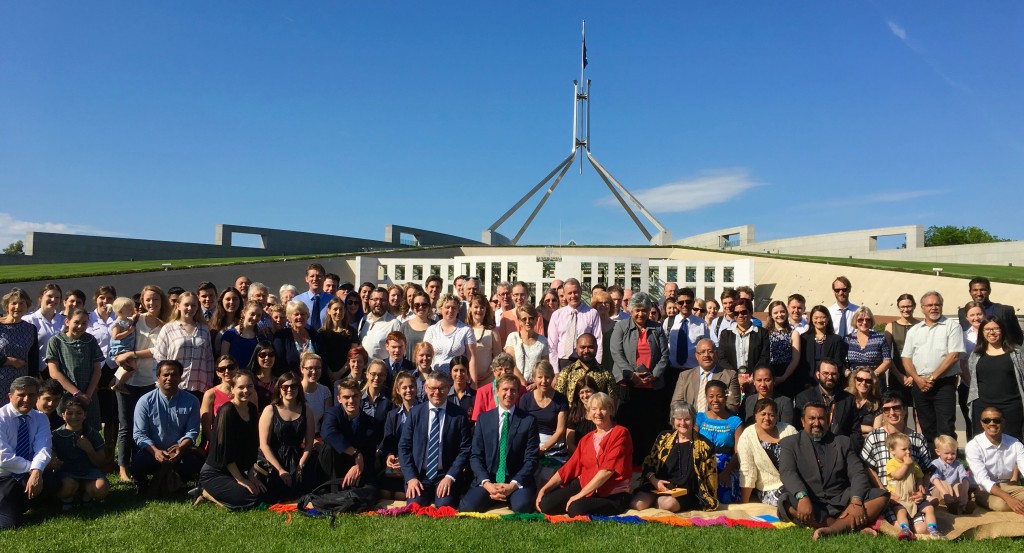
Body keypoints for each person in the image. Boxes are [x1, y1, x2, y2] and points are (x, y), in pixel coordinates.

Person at [777, 403, 889, 540]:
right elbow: (787, 472)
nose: (816, 423)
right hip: (812, 501)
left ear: (828, 421)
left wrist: (856, 500)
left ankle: (832, 530)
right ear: (802, 421)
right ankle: (846, 525)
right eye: (812, 418)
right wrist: (802, 497)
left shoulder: (843, 442)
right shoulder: (790, 443)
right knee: (786, 501)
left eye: (821, 418)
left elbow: (857, 473)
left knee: (881, 496)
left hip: (842, 501)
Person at [536, 392, 632, 516]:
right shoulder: (586, 439)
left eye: (603, 408)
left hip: (612, 493)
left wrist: (580, 495)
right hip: (585, 483)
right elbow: (569, 468)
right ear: (589, 413)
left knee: (575, 509)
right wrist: (545, 489)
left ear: (611, 410)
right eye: (594, 409)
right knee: (545, 504)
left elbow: (607, 470)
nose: (598, 413)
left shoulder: (620, 433)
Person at [459, 375, 540, 513]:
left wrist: (512, 486)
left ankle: (509, 496)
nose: (509, 394)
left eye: (513, 390)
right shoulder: (484, 419)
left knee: (522, 507)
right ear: (497, 391)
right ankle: (494, 495)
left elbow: (531, 459)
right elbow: (475, 456)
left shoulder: (529, 421)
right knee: (467, 507)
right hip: (489, 478)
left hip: (516, 479)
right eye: (505, 389)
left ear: (518, 393)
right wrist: (487, 484)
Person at [113, 285, 169, 482]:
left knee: (145, 426)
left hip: (150, 381)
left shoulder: (166, 325)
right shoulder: (135, 320)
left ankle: (140, 465)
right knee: (125, 425)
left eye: (156, 299)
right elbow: (117, 337)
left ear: (162, 301)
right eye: (148, 300)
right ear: (142, 302)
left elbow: (158, 350)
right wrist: (119, 355)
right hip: (127, 378)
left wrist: (133, 353)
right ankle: (123, 467)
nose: (152, 303)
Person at [610, 291, 669, 463]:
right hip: (628, 385)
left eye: (644, 310)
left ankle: (646, 463)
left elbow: (664, 355)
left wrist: (654, 375)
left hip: (651, 385)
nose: (640, 314)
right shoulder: (621, 327)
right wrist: (631, 374)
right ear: (630, 310)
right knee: (628, 424)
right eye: (637, 310)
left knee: (648, 425)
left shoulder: (657, 328)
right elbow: (616, 352)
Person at [398, 370, 471, 508]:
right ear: (426, 388)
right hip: (419, 476)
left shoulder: (459, 415)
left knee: (444, 507)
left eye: (441, 388)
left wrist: (450, 477)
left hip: (445, 475)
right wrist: (411, 478)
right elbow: (404, 447)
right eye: (432, 388)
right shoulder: (415, 413)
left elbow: (465, 449)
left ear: (448, 388)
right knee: (414, 506)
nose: (437, 392)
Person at [198, 370, 269, 510]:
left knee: (263, 492)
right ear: (232, 389)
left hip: (238, 470)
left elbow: (252, 445)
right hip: (217, 472)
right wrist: (240, 479)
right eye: (241, 387)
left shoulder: (252, 409)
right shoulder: (227, 411)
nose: (246, 391)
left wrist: (251, 475)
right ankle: (206, 492)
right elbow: (225, 449)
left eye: (249, 386)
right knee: (250, 498)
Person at [630, 400, 718, 512]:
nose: (683, 423)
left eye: (687, 419)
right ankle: (656, 501)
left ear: (693, 420)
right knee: (637, 504)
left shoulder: (705, 445)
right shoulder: (663, 437)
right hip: (658, 486)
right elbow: (649, 463)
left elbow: (711, 477)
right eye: (679, 419)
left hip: (686, 492)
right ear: (673, 420)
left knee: (668, 504)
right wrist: (655, 481)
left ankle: (658, 503)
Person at [131, 360, 203, 496]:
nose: (170, 378)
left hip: (180, 450)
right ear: (158, 377)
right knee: (137, 465)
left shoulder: (192, 400)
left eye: (174, 374)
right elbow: (139, 434)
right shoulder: (145, 401)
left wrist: (180, 448)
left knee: (196, 463)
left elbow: (192, 431)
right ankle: (142, 485)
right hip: (153, 451)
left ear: (180, 377)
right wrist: (155, 451)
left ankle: (174, 482)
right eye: (165, 375)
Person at [901, 291, 965, 446]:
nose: (934, 308)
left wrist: (932, 377)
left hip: (943, 384)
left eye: (937, 304)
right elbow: (906, 358)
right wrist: (917, 379)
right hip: (919, 384)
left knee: (946, 428)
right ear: (922, 308)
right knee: (927, 427)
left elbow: (954, 355)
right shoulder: (914, 330)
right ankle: (931, 460)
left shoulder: (952, 326)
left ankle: (949, 460)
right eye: (929, 305)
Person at [0, 376, 51, 529]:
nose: (27, 399)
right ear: (10, 396)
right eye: (21, 395)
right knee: (10, 525)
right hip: (3, 477)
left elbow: (43, 448)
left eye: (31, 395)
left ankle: (21, 504)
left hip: (25, 475)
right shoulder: (1, 418)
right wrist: (34, 469)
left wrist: (37, 471)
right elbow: (3, 458)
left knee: (59, 482)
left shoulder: (40, 417)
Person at [259, 372, 316, 499]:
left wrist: (301, 464)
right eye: (285, 387)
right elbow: (264, 444)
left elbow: (309, 443)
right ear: (279, 389)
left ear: (298, 389)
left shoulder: (307, 410)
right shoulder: (270, 410)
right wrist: (280, 469)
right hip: (274, 459)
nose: (289, 390)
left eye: (293, 386)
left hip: (297, 457)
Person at [45, 308, 104, 429]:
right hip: (66, 393)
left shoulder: (90, 340)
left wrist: (88, 394)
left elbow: (97, 370)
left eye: (84, 323)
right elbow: (54, 372)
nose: (80, 326)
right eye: (76, 322)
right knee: (64, 429)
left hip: (88, 395)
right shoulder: (56, 341)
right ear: (67, 321)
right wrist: (77, 393)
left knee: (88, 430)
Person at [319, 377, 382, 490]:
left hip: (359, 468)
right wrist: (355, 452)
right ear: (339, 399)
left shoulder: (371, 424)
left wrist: (357, 467)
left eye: (354, 396)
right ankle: (333, 491)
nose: (351, 401)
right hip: (335, 467)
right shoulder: (333, 413)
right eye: (346, 397)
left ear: (360, 396)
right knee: (328, 447)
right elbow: (328, 433)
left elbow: (369, 455)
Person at [967, 317, 1024, 440]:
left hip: (1011, 407)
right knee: (983, 443)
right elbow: (973, 376)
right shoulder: (976, 354)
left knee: (1012, 443)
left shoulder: (1016, 353)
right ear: (982, 332)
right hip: (982, 406)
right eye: (987, 329)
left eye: (996, 328)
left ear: (1002, 330)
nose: (991, 332)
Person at [50, 396, 109, 510]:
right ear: (63, 415)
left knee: (100, 489)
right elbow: (53, 458)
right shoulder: (56, 435)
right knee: (67, 486)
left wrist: (89, 449)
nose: (74, 417)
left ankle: (86, 494)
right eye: (70, 413)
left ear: (85, 415)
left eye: (78, 413)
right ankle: (67, 498)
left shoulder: (92, 433)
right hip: (66, 473)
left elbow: (101, 462)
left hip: (89, 472)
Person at [151, 292, 215, 398]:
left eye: (193, 305)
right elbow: (159, 358)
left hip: (199, 386)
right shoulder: (168, 329)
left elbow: (209, 359)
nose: (190, 308)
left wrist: (209, 382)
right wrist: (159, 382)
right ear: (178, 306)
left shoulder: (204, 329)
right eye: (186, 305)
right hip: (174, 385)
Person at [737, 398, 797, 506]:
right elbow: (748, 472)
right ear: (755, 415)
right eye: (763, 414)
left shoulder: (789, 430)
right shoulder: (747, 436)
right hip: (770, 489)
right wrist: (744, 503)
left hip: (794, 483)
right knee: (791, 500)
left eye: (771, 415)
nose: (767, 418)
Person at [967, 406, 1024, 513]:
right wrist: (1009, 498)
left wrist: (1010, 496)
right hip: (982, 488)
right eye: (987, 420)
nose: (992, 423)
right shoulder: (973, 446)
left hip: (1007, 486)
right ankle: (974, 498)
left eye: (996, 420)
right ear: (982, 423)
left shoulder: (1015, 443)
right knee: (1001, 505)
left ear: (1003, 422)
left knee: (1009, 503)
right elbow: (983, 480)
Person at [885, 432, 942, 539]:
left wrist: (920, 484)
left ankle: (933, 529)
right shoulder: (891, 464)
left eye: (909, 449)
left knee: (929, 508)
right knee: (900, 511)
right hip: (899, 499)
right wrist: (906, 465)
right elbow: (897, 475)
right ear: (892, 450)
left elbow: (919, 475)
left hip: (913, 498)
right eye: (904, 449)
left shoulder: (914, 464)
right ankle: (905, 528)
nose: (908, 452)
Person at [518, 360, 568, 480]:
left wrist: (543, 448)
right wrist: (532, 449)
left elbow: (560, 431)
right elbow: (521, 428)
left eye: (547, 377)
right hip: (531, 445)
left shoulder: (561, 400)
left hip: (553, 448)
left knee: (547, 478)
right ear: (534, 378)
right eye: (540, 377)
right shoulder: (525, 399)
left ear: (553, 378)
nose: (544, 381)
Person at [695, 380, 743, 503]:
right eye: (711, 396)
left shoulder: (735, 421)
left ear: (726, 397)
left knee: (725, 498)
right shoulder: (699, 418)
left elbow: (739, 453)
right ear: (706, 398)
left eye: (719, 396)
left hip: (726, 469)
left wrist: (726, 473)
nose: (715, 400)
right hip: (702, 467)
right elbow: (692, 445)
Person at [794, 358, 859, 443]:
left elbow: (855, 431)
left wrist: (850, 449)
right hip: (812, 446)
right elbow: (799, 429)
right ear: (818, 375)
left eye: (833, 374)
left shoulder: (848, 399)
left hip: (841, 447)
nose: (830, 377)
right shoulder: (804, 398)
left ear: (838, 375)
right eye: (826, 373)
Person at [670, 339, 741, 414]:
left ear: (716, 354)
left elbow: (732, 406)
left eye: (710, 351)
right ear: (697, 356)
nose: (706, 355)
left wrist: (711, 418)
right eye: (702, 352)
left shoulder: (730, 376)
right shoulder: (684, 376)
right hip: (690, 419)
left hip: (717, 420)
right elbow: (676, 404)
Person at [548, 279, 603, 370]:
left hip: (585, 361)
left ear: (581, 291)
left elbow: (598, 341)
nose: (573, 296)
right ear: (564, 294)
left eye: (576, 292)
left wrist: (597, 366)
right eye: (569, 293)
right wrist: (555, 370)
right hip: (563, 362)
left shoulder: (592, 313)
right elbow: (552, 345)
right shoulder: (557, 315)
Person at [717, 298, 768, 395]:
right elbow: (721, 357)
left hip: (755, 381)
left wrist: (753, 377)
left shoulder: (762, 333)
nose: (740, 315)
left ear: (750, 312)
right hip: (732, 381)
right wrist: (735, 377)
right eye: (736, 313)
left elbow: (764, 357)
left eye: (743, 312)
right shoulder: (725, 334)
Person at [379, 371, 417, 499]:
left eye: (411, 386)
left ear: (416, 388)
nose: (408, 390)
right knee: (384, 493)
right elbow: (388, 440)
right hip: (396, 465)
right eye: (404, 388)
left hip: (414, 463)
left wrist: (405, 460)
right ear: (398, 390)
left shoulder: (424, 412)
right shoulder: (392, 415)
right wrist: (390, 455)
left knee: (401, 495)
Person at [794, 306, 848, 395]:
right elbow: (801, 364)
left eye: (823, 317)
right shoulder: (804, 338)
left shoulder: (836, 340)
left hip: (829, 382)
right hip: (808, 383)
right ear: (811, 319)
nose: (819, 320)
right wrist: (806, 383)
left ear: (828, 319)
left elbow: (838, 362)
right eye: (816, 318)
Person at [0, 288, 40, 406]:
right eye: (14, 303)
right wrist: (8, 361)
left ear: (27, 307)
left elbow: (33, 359)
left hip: (21, 384)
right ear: (7, 306)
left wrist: (34, 382)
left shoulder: (30, 329)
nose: (17, 307)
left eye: (22, 303)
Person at [958, 277, 1024, 346]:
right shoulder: (962, 312)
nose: (979, 293)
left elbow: (1018, 338)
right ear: (970, 292)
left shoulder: (1005, 311)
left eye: (982, 290)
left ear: (989, 291)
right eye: (975, 290)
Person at [424, 294, 476, 375]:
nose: (450, 310)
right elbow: (424, 354)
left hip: (458, 377)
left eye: (454, 308)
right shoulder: (431, 330)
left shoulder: (466, 330)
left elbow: (471, 358)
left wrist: (473, 381)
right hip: (435, 377)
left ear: (458, 310)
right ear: (441, 309)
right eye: (447, 307)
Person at [504, 304, 549, 389]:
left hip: (535, 386)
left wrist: (535, 384)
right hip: (515, 385)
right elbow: (510, 363)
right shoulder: (513, 337)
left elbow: (544, 366)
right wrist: (522, 381)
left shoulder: (543, 340)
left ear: (536, 320)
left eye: (531, 318)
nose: (528, 322)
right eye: (524, 319)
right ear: (519, 321)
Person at [884, 293, 919, 406]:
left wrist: (914, 376)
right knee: (899, 408)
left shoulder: (921, 325)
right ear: (898, 307)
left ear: (914, 306)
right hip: (897, 371)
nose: (906, 309)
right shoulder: (890, 326)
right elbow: (886, 354)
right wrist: (899, 375)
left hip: (918, 372)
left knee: (919, 410)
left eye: (909, 306)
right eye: (902, 307)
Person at [271, 301, 322, 377]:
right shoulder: (281, 337)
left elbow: (323, 361)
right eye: (296, 314)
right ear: (289, 317)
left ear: (307, 316)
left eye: (303, 314)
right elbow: (278, 364)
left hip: (315, 381)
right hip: (290, 382)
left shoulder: (315, 335)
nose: (299, 317)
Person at [761, 300, 798, 398]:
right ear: (771, 315)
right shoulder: (765, 333)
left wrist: (783, 377)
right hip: (768, 372)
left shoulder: (793, 333)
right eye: (776, 312)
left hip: (786, 372)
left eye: (782, 311)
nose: (779, 315)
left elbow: (795, 359)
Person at [24, 284, 64, 376]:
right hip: (37, 371)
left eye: (57, 297)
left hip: (62, 370)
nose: (53, 300)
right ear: (41, 297)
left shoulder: (65, 320)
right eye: (50, 296)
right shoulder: (29, 320)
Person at [845, 306, 891, 386]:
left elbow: (887, 361)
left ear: (871, 321)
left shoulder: (880, 338)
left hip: (875, 382)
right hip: (854, 382)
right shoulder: (848, 339)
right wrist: (848, 373)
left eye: (868, 319)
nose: (864, 322)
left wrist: (872, 375)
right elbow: (842, 360)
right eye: (860, 320)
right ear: (855, 321)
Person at [930, 434, 973, 514]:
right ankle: (951, 504)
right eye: (946, 453)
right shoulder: (935, 464)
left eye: (953, 453)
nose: (950, 456)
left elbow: (964, 478)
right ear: (938, 452)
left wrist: (964, 493)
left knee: (958, 485)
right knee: (944, 483)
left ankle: (963, 505)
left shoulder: (958, 464)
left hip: (953, 493)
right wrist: (946, 494)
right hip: (940, 492)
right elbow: (935, 479)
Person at [200, 356, 239, 442]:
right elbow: (206, 427)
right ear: (217, 373)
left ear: (237, 368)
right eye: (222, 369)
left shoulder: (246, 392)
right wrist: (217, 444)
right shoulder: (210, 394)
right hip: (217, 441)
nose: (227, 371)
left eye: (230, 367)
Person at [358, 287, 402, 361]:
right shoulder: (364, 320)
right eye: (375, 299)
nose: (378, 303)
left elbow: (398, 351)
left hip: (383, 367)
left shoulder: (394, 323)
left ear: (387, 302)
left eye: (382, 300)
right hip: (363, 367)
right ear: (369, 302)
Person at [471, 354, 517, 422]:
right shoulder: (483, 391)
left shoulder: (521, 390)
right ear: (494, 371)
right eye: (500, 369)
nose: (503, 372)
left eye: (507, 369)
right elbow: (477, 421)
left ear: (512, 371)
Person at [465, 294, 500, 384]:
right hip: (468, 378)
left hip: (488, 378)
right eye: (476, 307)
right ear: (470, 308)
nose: (479, 310)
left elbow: (498, 357)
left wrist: (489, 373)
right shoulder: (464, 329)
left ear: (486, 310)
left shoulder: (492, 330)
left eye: (482, 307)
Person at [319, 297, 355, 382]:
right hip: (326, 377)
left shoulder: (351, 332)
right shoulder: (321, 333)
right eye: (335, 309)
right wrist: (330, 373)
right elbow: (320, 356)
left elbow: (353, 355)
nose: (338, 312)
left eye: (341, 309)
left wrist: (339, 373)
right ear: (329, 311)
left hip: (345, 376)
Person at [219, 300, 261, 372]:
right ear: (244, 313)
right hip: (233, 375)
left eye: (258, 315)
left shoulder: (260, 337)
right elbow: (224, 361)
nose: (255, 318)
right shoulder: (230, 334)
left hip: (252, 376)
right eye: (252, 314)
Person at [298, 352, 332, 433]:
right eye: (310, 368)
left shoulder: (325, 391)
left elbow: (327, 420)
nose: (314, 372)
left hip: (317, 435)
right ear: (302, 369)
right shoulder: (294, 389)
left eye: (317, 368)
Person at [294, 263, 333, 331]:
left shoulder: (332, 301)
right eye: (312, 276)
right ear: (306, 279)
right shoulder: (297, 300)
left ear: (324, 278)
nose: (315, 279)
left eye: (318, 276)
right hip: (304, 336)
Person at [565, 376, 598, 453]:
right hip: (578, 455)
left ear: (595, 392)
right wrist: (581, 456)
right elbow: (569, 442)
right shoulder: (574, 413)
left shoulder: (602, 412)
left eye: (588, 391)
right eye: (581, 392)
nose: (585, 396)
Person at [400, 291, 433, 365]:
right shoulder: (404, 327)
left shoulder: (436, 326)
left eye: (424, 305)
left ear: (428, 306)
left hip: (430, 368)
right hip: (409, 368)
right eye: (417, 305)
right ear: (412, 307)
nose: (420, 307)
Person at [589, 290, 618, 374]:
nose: (603, 305)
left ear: (611, 306)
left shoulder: (617, 326)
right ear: (595, 306)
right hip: (594, 365)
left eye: (606, 302)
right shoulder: (590, 326)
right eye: (600, 303)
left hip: (612, 364)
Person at [361, 359, 393, 425]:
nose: (376, 378)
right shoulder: (358, 397)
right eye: (373, 374)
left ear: (385, 377)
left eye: (381, 375)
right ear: (367, 374)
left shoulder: (390, 399)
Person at [247, 341, 277, 408]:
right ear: (257, 357)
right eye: (263, 355)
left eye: (271, 354)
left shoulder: (279, 381)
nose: (267, 358)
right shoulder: (250, 380)